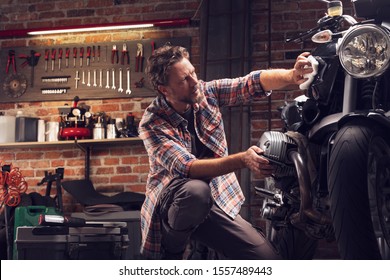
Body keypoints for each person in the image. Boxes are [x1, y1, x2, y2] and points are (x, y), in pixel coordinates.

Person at [138, 44, 312, 260]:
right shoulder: (152, 123)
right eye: (184, 80)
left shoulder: (205, 93)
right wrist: (243, 159)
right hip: (175, 204)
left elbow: (250, 83)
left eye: (192, 72)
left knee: (267, 259)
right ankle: (173, 254)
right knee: (195, 192)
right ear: (165, 89)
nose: (194, 82)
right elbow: (188, 168)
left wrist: (291, 75)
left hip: (213, 199)